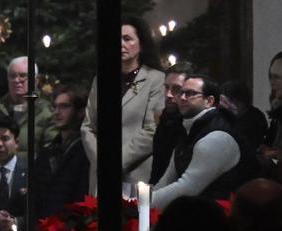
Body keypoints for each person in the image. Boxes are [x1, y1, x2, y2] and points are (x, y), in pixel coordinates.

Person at [84, 17, 167, 191]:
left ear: (141, 44)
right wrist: (100, 160)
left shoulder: (155, 79)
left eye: (127, 39)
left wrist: (117, 161)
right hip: (100, 172)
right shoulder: (101, 80)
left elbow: (152, 129)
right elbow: (87, 127)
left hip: (135, 172)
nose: (120, 44)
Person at [153, 71, 256, 209]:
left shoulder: (218, 137)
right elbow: (167, 180)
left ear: (209, 101)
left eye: (190, 93)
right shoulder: (187, 129)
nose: (182, 98)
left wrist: (142, 202)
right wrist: (141, 199)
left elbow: (187, 188)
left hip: (220, 218)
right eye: (181, 92)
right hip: (199, 211)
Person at [0, 56, 54, 167]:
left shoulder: (47, 112)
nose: (16, 80)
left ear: (35, 80)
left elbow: (51, 151)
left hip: (31, 179)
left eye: (23, 76)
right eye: (12, 76)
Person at [35, 85, 90, 220]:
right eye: (55, 107)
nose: (57, 112)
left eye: (64, 107)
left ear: (80, 111)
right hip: (45, 227)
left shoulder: (87, 150)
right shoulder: (48, 151)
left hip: (74, 227)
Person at [147, 66, 190, 185]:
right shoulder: (166, 118)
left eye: (176, 89)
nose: (168, 94)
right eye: (166, 87)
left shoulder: (188, 124)